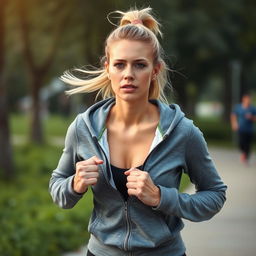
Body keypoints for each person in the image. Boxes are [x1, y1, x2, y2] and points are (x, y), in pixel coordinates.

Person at [49, 7, 227, 256]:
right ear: (107, 67)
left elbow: (215, 195)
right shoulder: (82, 128)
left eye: (140, 65)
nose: (128, 75)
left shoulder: (182, 132)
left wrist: (160, 197)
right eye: (120, 65)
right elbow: (58, 189)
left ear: (155, 70)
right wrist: (75, 184)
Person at [231, 93, 256, 164]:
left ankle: (245, 157)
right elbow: (233, 116)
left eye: (249, 99)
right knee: (241, 143)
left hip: (250, 130)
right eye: (247, 99)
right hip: (241, 129)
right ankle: (244, 153)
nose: (248, 101)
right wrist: (234, 124)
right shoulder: (238, 107)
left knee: (248, 144)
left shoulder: (252, 108)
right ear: (243, 99)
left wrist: (251, 117)